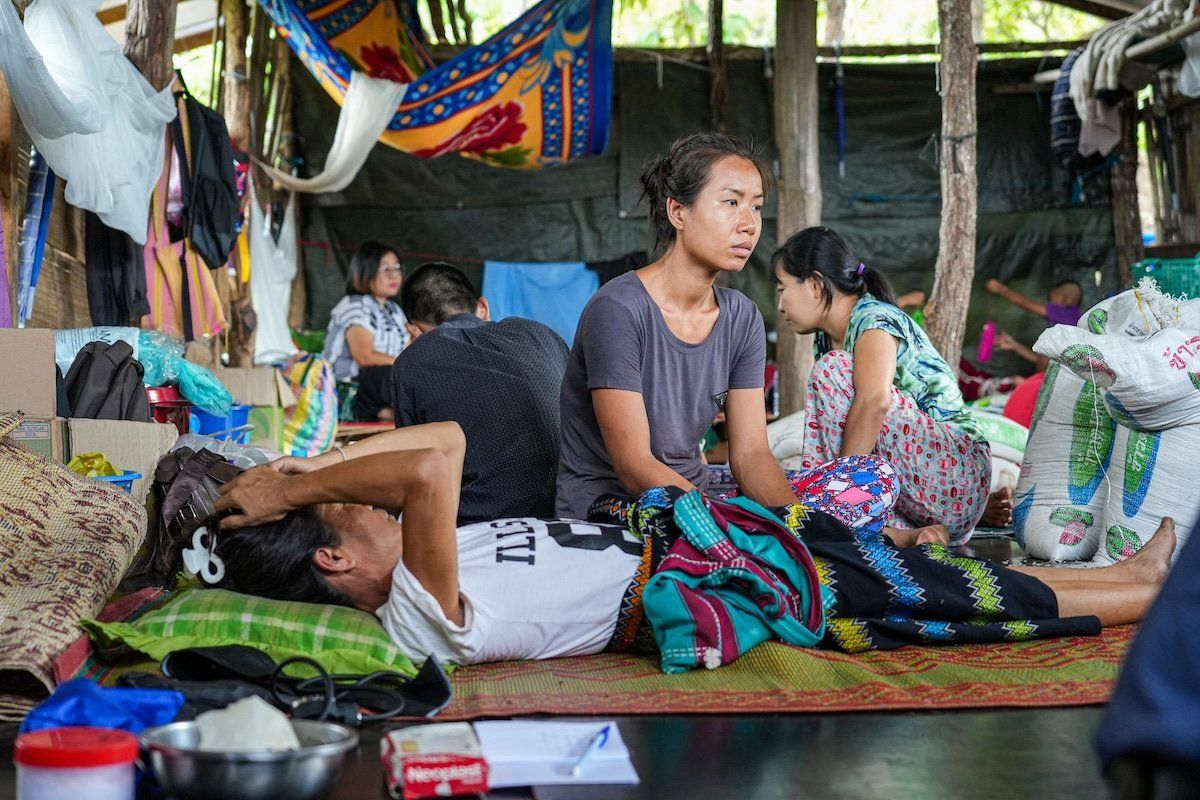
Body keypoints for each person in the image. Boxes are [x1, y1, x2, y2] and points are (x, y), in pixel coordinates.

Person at [196, 423, 1175, 667]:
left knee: (946, 569)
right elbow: (435, 455)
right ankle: (1156, 595)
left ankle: (1131, 572)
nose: (365, 501)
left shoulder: (418, 554)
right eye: (346, 512)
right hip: (710, 580)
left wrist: (301, 475)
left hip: (702, 544)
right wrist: (296, 485)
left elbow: (425, 459)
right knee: (955, 597)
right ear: (334, 558)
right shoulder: (420, 611)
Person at [556, 133, 799, 522]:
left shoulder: (743, 318)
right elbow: (634, 466)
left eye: (756, 207)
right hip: (619, 505)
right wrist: (730, 524)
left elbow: (751, 453)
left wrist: (792, 522)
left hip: (697, 492)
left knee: (864, 482)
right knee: (752, 550)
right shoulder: (619, 309)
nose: (749, 224)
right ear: (677, 212)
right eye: (731, 202)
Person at [773, 227, 992, 543]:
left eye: (782, 289)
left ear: (816, 285)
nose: (779, 305)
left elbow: (875, 402)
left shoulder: (873, 319)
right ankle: (905, 534)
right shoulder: (826, 338)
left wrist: (837, 492)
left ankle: (836, 513)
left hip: (957, 475)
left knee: (834, 371)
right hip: (923, 495)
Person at [386, 261, 568, 523]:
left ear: (414, 329)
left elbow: (416, 467)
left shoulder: (412, 360)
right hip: (571, 509)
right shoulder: (541, 334)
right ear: (483, 306)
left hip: (480, 525)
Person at [322, 241, 409, 422]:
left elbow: (407, 348)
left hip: (379, 391)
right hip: (349, 390)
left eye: (397, 268)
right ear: (365, 272)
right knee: (386, 375)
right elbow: (365, 356)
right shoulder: (354, 305)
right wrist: (405, 366)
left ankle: (389, 413)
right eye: (385, 269)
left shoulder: (394, 310)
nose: (394, 275)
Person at [985, 277, 1084, 372]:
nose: (1048, 305)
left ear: (1063, 299)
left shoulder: (1068, 313)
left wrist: (1001, 289)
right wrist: (1014, 345)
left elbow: (1027, 304)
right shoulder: (1066, 334)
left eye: (1050, 301)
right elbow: (1041, 361)